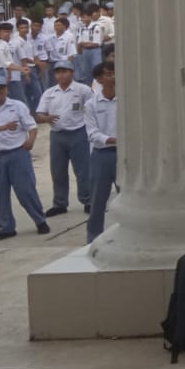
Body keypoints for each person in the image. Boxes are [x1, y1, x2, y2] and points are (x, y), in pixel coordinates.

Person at [0, 71, 50, 241]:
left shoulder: (18, 106)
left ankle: (40, 220)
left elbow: (32, 126)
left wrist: (31, 140)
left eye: (2, 88)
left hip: (17, 153)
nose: (0, 91)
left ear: (7, 89)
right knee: (1, 194)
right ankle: (6, 227)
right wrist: (3, 127)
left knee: (26, 190)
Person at [34, 59, 94, 218]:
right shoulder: (50, 93)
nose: (61, 75)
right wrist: (45, 118)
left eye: (65, 71)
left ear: (72, 73)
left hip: (78, 133)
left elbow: (92, 110)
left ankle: (88, 200)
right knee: (58, 171)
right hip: (57, 135)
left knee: (83, 170)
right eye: (58, 72)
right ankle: (60, 203)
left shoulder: (83, 90)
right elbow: (39, 114)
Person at [85, 61, 118, 242]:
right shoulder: (92, 105)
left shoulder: (127, 101)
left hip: (123, 154)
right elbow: (92, 132)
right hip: (102, 155)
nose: (112, 77)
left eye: (114, 73)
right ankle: (93, 236)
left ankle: (128, 232)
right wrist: (111, 140)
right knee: (98, 199)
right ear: (98, 79)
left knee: (127, 196)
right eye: (107, 73)